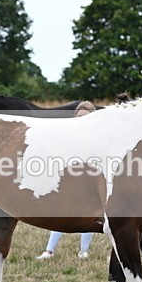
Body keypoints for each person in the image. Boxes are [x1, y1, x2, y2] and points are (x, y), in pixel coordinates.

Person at [37, 101, 97, 260]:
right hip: (69, 178)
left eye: (85, 117)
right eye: (79, 116)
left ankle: (83, 251)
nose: (81, 120)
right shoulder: (69, 134)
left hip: (89, 179)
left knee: (88, 214)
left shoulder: (96, 136)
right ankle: (49, 251)